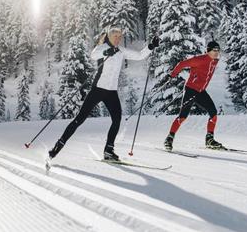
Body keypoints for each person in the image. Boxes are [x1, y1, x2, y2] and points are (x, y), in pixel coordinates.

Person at [48, 27, 159, 164]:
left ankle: (108, 150)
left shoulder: (120, 51)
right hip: (98, 89)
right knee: (79, 120)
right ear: (109, 36)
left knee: (117, 119)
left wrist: (151, 46)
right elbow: (93, 55)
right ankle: (57, 147)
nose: (118, 39)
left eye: (120, 36)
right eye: (116, 36)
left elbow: (139, 55)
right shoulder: (102, 47)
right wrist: (107, 52)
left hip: (111, 92)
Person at [163, 40, 223, 151]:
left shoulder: (215, 61)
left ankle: (209, 140)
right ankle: (169, 139)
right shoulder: (199, 60)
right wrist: (172, 75)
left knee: (213, 114)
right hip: (191, 90)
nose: (216, 52)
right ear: (208, 50)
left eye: (218, 50)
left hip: (201, 92)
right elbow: (182, 64)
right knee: (182, 117)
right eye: (214, 50)